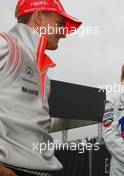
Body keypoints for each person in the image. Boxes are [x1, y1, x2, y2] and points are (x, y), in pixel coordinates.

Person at [0, 0, 82, 175]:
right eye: (60, 24)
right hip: (11, 167)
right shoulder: (6, 45)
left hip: (41, 169)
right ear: (38, 17)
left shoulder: (42, 69)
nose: (64, 34)